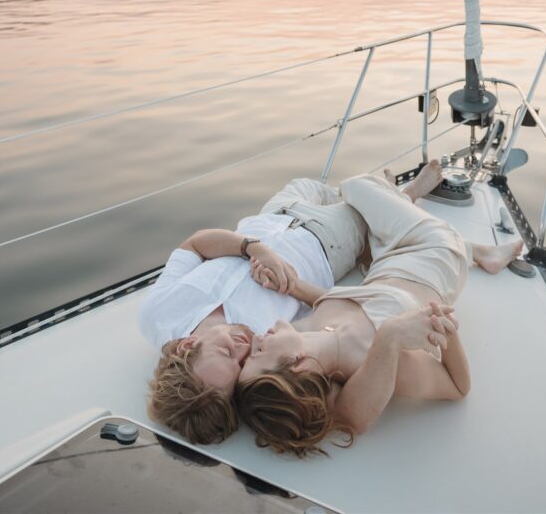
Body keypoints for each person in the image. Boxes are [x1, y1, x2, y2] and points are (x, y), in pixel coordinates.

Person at [236, 161, 523, 457]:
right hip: (435, 252)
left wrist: (290, 285)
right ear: (299, 365)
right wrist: (442, 328)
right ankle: (442, 226)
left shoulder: (304, 332)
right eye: (258, 353)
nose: (255, 340)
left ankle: (440, 223)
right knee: (356, 185)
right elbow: (457, 386)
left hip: (382, 261)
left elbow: (336, 303)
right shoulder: (374, 360)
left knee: (363, 222)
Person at [139, 177, 367, 445]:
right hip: (327, 243)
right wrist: (292, 287)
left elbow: (195, 244)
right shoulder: (267, 346)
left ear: (187, 345)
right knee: (366, 193)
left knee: (309, 183)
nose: (242, 349)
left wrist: (253, 248)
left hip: (269, 218)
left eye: (226, 352)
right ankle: (403, 194)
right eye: (241, 364)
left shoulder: (158, 314)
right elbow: (337, 313)